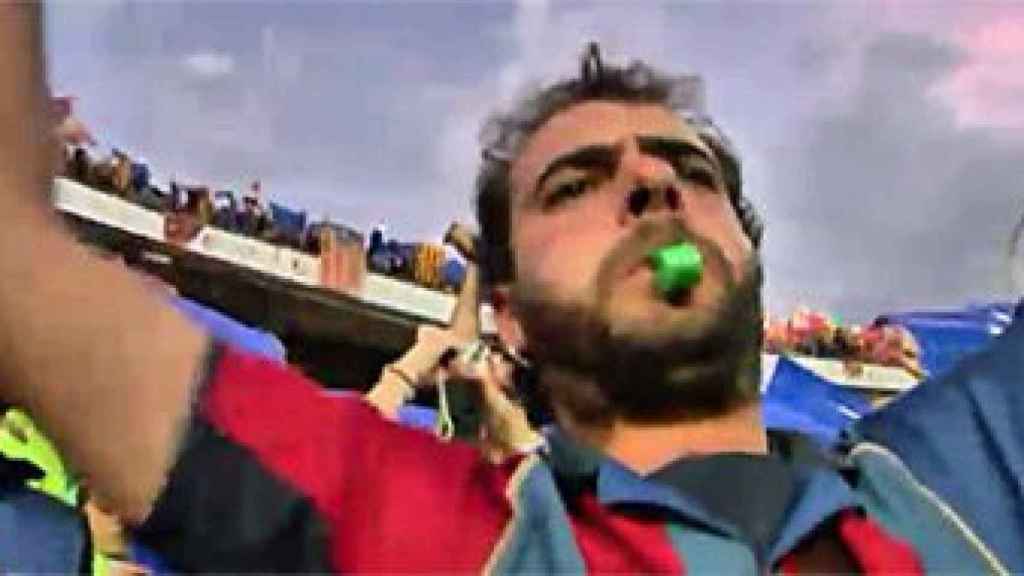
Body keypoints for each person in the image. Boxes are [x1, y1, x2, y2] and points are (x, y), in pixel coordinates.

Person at [0, 7, 1021, 573]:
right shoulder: (443, 542)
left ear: (743, 255)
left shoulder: (963, 484)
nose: (654, 184)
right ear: (510, 316)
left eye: (689, 171)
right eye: (578, 185)